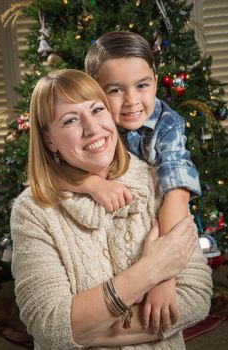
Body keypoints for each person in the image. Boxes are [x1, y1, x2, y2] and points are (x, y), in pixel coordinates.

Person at [10, 69, 212, 350]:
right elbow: (50, 326)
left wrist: (88, 333)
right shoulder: (33, 210)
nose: (92, 129)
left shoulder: (157, 181)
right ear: (49, 140)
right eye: (70, 120)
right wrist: (153, 269)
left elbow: (196, 298)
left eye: (96, 110)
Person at [83, 30, 202, 331]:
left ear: (154, 77)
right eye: (115, 90)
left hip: (157, 217)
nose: (132, 101)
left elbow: (177, 191)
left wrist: (164, 273)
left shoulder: (167, 124)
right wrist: (91, 184)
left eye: (142, 85)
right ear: (94, 91)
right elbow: (51, 168)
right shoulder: (90, 123)